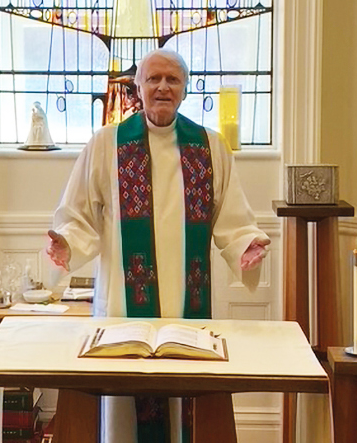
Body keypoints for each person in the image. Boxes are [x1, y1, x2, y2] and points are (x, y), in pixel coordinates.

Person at [47, 49, 270, 443]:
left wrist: (244, 246)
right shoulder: (106, 144)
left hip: (189, 314)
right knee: (123, 422)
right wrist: (67, 242)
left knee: (188, 412)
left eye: (172, 80)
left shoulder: (210, 147)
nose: (162, 88)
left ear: (185, 89)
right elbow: (76, 210)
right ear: (138, 88)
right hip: (123, 313)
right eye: (153, 80)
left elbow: (233, 217)